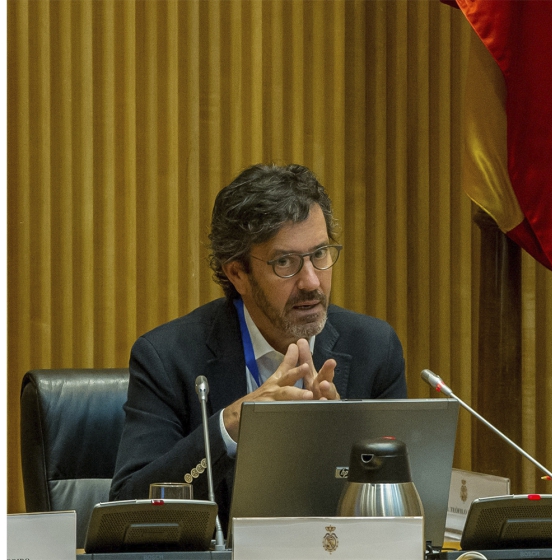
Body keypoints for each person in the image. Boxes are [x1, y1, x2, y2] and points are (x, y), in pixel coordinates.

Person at [110, 163, 407, 530]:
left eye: (319, 254)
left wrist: (344, 442)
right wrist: (229, 427)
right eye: (285, 262)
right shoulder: (169, 358)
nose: (311, 282)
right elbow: (128, 510)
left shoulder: (374, 349)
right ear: (238, 274)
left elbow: (403, 515)